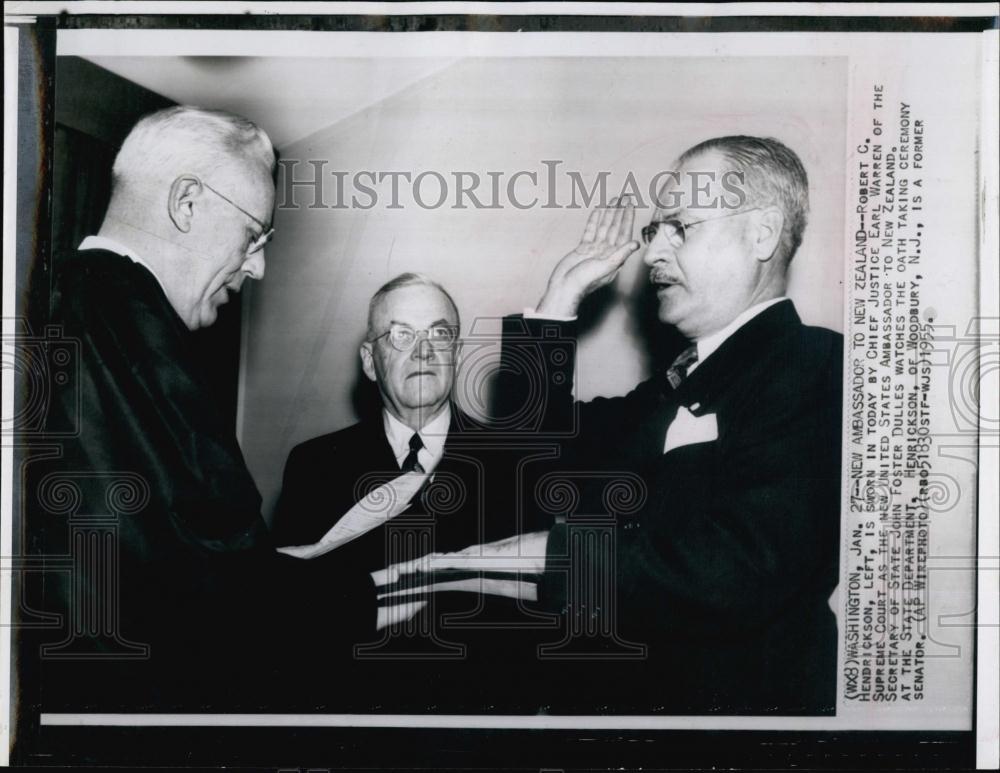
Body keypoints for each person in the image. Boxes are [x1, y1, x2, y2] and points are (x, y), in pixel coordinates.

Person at [395, 136, 843, 714]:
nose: (652, 253)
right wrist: (559, 301)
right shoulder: (669, 388)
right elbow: (535, 462)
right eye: (653, 231)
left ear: (761, 232)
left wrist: (551, 555)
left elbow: (737, 569)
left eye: (679, 227)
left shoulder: (815, 365)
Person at [22, 106, 388, 712]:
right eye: (254, 236)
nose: (259, 267)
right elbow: (206, 600)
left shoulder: (55, 299)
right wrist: (375, 589)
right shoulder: (135, 327)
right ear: (187, 203)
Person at [272, 273, 550, 712]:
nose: (424, 350)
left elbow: (535, 623)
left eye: (439, 333)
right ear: (369, 360)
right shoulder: (316, 466)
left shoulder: (515, 466)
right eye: (401, 335)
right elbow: (296, 617)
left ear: (457, 354)